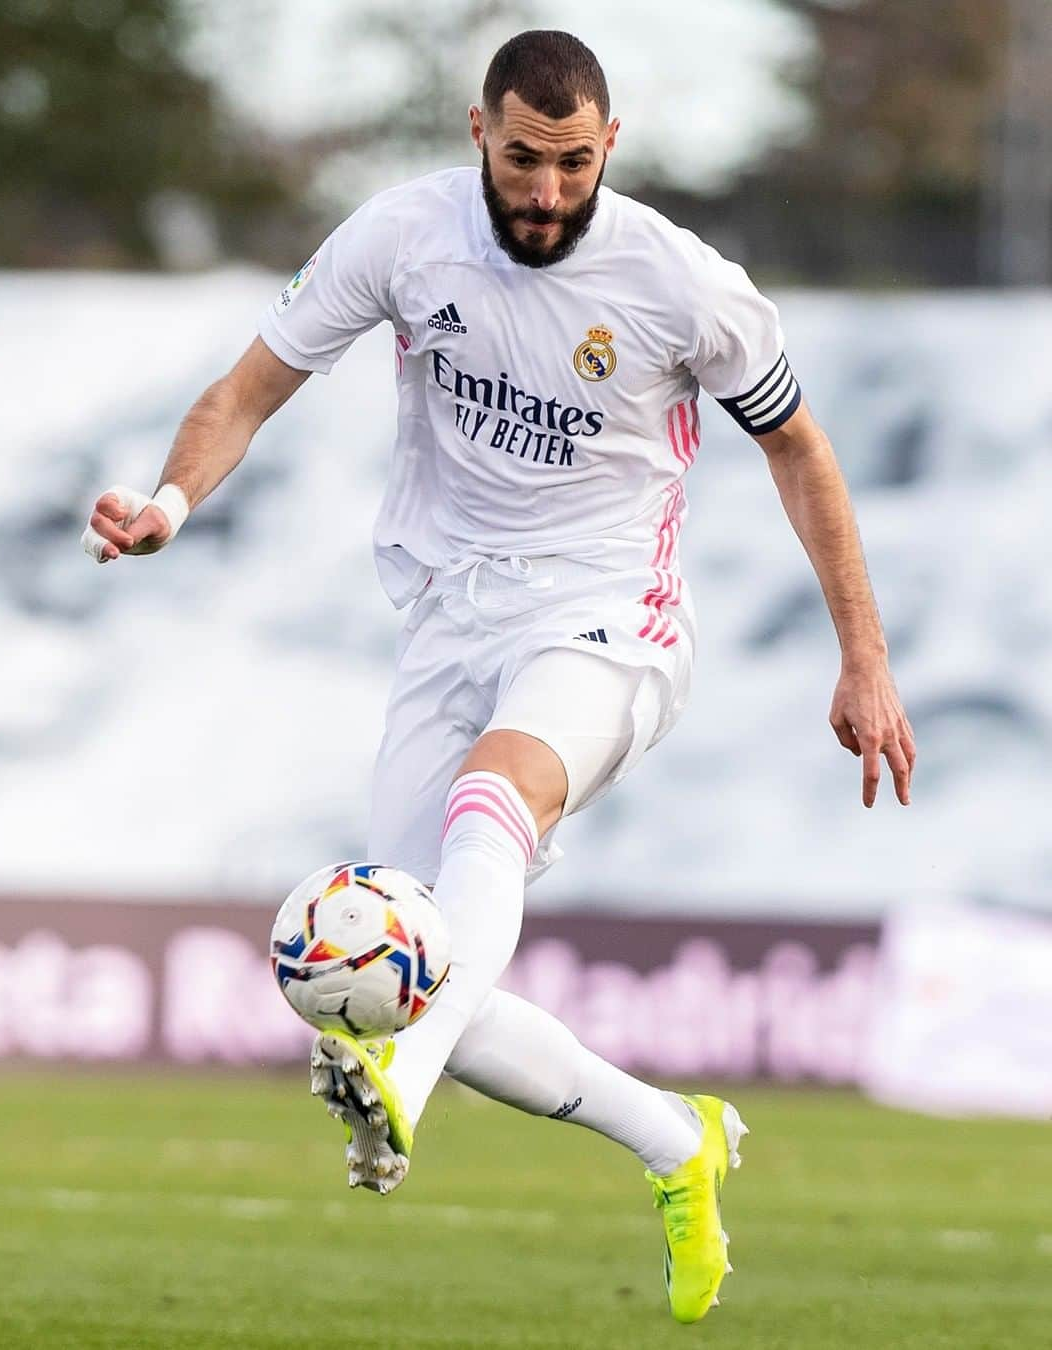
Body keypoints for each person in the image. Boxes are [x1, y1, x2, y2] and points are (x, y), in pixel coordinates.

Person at [80, 29, 915, 1324]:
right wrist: (169, 501)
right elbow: (249, 387)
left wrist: (864, 653)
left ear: (609, 149)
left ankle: (395, 1085)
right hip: (446, 622)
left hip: (609, 622)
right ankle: (671, 1137)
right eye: (524, 159)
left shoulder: (681, 282)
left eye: (573, 163)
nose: (545, 190)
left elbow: (801, 450)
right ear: (482, 133)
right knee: (437, 972)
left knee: (487, 814)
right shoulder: (403, 239)